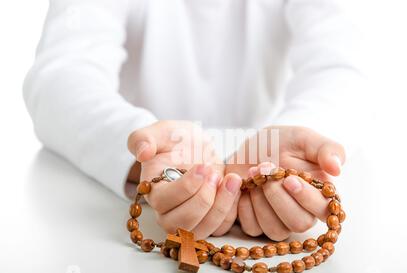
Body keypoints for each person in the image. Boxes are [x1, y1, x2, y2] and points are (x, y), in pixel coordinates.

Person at [23, 0, 362, 241]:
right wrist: (142, 149)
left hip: (266, 172)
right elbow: (61, 75)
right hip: (147, 180)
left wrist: (302, 144)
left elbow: (343, 69)